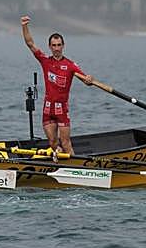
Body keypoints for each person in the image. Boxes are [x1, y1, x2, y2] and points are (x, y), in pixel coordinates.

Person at [21, 15, 95, 156]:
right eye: (53, 45)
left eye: (59, 45)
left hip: (62, 109)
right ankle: (60, 162)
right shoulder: (45, 61)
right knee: (53, 143)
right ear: (50, 46)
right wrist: (24, 25)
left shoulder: (70, 66)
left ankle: (77, 168)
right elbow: (30, 43)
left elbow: (86, 80)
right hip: (48, 108)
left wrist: (89, 79)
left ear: (63, 46)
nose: (56, 48)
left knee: (66, 144)